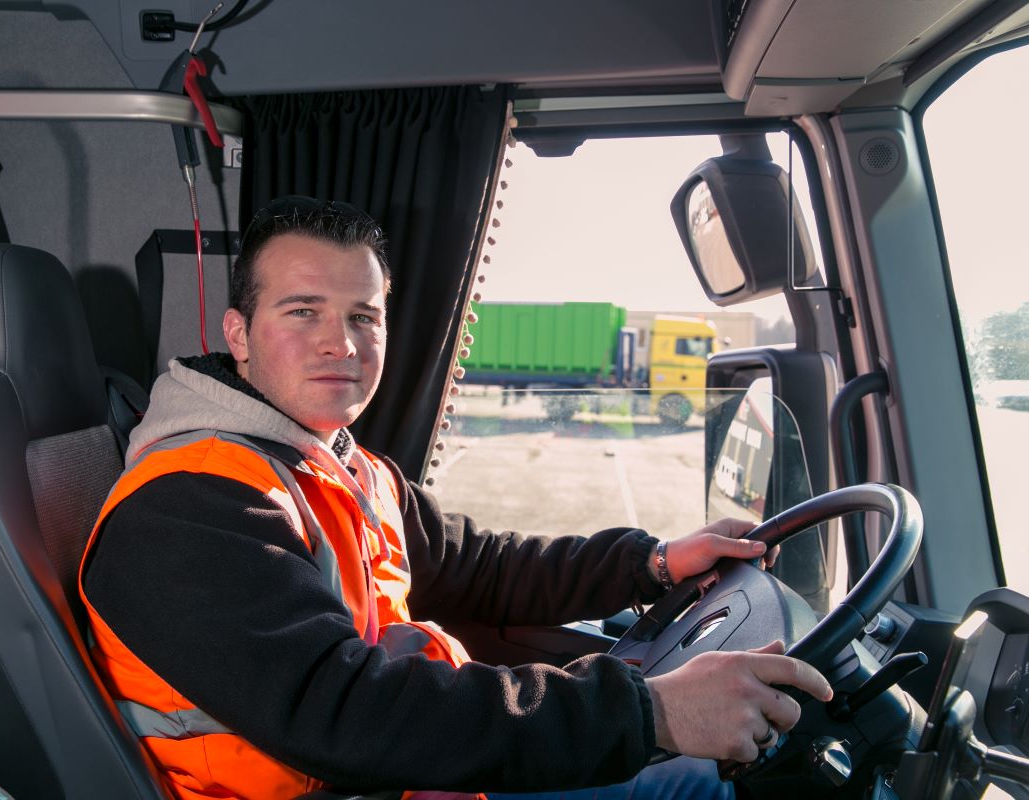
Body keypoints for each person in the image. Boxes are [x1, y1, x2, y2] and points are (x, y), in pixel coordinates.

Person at [77, 196, 832, 800]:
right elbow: (341, 710)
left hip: (395, 772)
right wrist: (655, 711)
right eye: (303, 311)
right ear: (238, 336)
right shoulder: (187, 503)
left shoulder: (342, 465)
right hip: (343, 780)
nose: (341, 342)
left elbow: (485, 566)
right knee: (692, 782)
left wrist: (656, 564)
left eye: (363, 316)